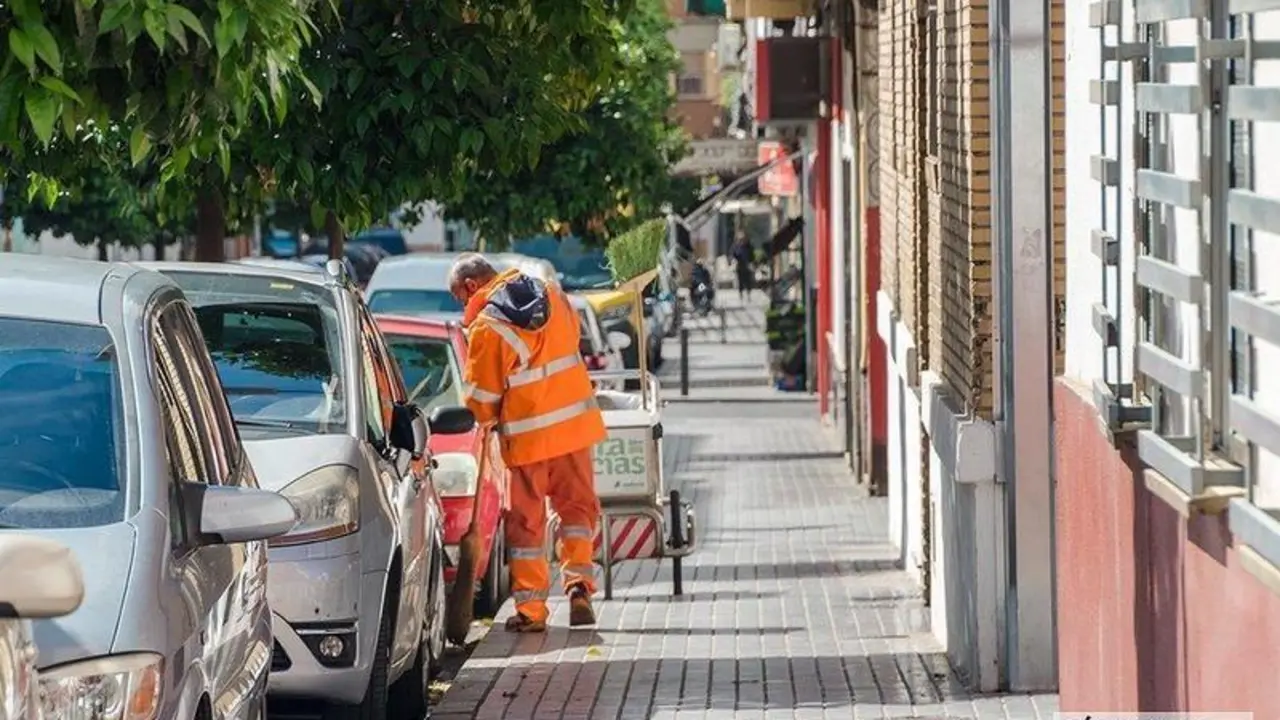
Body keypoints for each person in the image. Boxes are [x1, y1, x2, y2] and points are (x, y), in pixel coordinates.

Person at [448, 252, 608, 632]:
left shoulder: (488, 327)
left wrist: (486, 418)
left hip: (528, 441)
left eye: (459, 297)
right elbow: (570, 344)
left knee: (527, 525)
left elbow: (481, 400)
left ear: (471, 286)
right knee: (577, 512)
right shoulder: (552, 293)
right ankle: (580, 588)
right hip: (574, 430)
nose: (462, 306)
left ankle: (532, 611)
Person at [731, 235, 754, 300]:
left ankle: (748, 294)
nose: (742, 241)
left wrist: (751, 263)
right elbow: (735, 255)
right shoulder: (737, 247)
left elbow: (752, 257)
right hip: (740, 266)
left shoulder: (749, 248)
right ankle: (741, 294)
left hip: (747, 266)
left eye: (743, 240)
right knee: (740, 281)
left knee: (748, 282)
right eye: (741, 240)